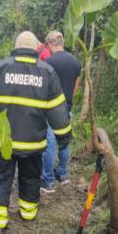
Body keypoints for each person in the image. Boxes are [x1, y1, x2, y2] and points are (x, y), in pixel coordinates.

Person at [0, 31, 72, 234]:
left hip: (1, 141)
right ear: (36, 49)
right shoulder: (47, 72)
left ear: (16, 47)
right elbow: (57, 110)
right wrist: (64, 137)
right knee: (30, 176)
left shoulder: (0, 68)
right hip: (32, 142)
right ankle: (28, 214)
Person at [41, 31, 81, 193]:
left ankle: (48, 181)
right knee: (64, 142)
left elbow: (46, 88)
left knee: (50, 144)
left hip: (51, 110)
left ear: (50, 43)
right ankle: (63, 174)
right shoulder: (75, 61)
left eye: (47, 46)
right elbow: (76, 87)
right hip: (66, 108)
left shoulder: (50, 61)